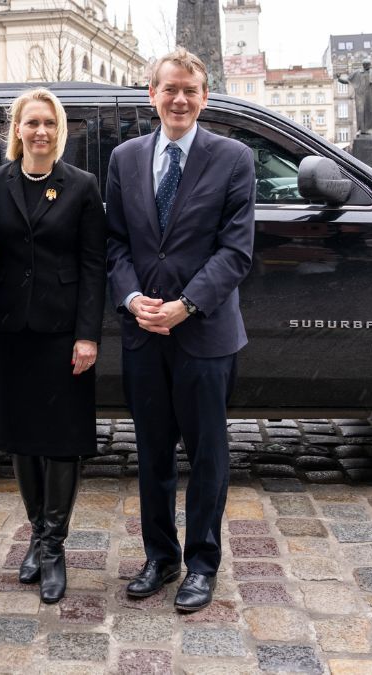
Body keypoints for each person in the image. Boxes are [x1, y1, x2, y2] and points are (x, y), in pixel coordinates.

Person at [106, 48, 255, 612]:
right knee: (151, 454)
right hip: (144, 333)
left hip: (205, 335)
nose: (180, 99)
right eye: (170, 89)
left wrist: (186, 305)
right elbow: (115, 242)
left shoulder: (233, 158)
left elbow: (235, 251)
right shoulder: (125, 158)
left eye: (190, 90)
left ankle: (201, 563)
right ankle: (160, 556)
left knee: (208, 454)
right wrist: (131, 298)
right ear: (152, 95)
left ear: (204, 96)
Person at [0, 88, 106, 604]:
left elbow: (93, 265)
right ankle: (36, 532)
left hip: (62, 335)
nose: (40, 132)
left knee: (61, 439)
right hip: (10, 332)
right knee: (20, 436)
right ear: (17, 129)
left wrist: (87, 334)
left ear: (61, 131)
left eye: (49, 123)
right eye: (31, 122)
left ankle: (53, 546)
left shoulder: (81, 186)